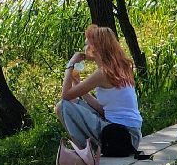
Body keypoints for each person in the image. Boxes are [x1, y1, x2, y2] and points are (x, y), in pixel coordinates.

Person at [56, 25, 144, 156]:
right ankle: (86, 150)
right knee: (73, 102)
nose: (84, 49)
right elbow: (103, 110)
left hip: (122, 136)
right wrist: (78, 84)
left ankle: (84, 152)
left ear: (95, 48)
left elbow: (65, 96)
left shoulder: (102, 73)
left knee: (62, 106)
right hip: (130, 136)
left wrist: (70, 65)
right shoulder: (120, 67)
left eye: (87, 44)